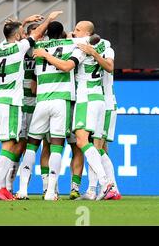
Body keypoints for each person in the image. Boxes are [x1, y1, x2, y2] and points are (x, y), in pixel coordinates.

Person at [30, 21, 116, 200]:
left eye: (77, 29)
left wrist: (45, 53)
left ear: (85, 33)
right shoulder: (104, 44)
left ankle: (105, 182)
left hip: (86, 98)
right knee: (95, 145)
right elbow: (105, 59)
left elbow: (66, 66)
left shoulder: (79, 47)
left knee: (82, 140)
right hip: (99, 98)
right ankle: (96, 189)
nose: (73, 32)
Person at [0, 11, 63, 201]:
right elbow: (35, 35)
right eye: (21, 32)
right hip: (11, 101)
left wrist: (26, 21)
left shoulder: (1, 46)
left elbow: (15, 32)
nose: (23, 34)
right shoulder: (20, 48)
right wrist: (49, 20)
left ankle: (2, 187)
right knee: (10, 143)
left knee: (11, 144)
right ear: (18, 35)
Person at [76, 34, 121, 200]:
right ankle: (106, 189)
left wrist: (93, 52)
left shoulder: (106, 50)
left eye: (78, 31)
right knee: (100, 150)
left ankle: (101, 188)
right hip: (99, 102)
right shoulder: (100, 48)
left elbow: (109, 66)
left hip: (105, 102)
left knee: (97, 148)